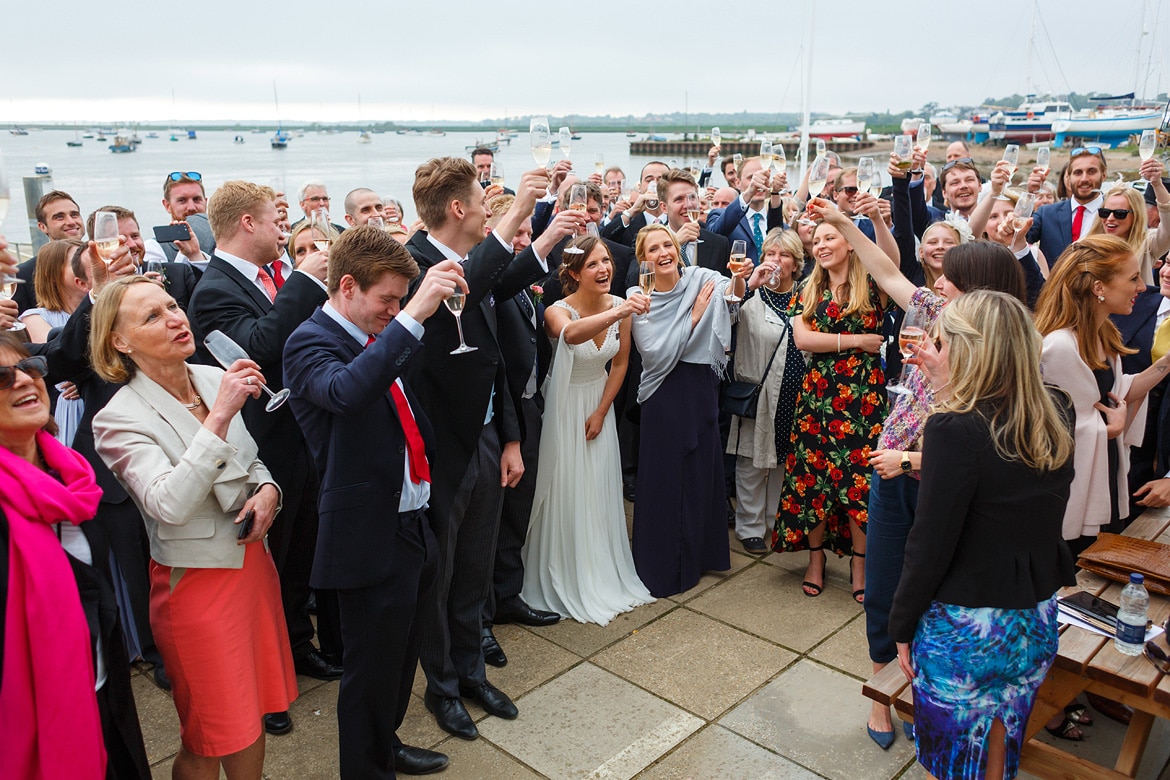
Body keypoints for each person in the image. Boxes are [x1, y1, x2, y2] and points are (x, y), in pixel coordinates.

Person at [834, 211, 1031, 748]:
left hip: (938, 477)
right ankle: (881, 694)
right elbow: (883, 271)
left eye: (951, 276)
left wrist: (915, 462)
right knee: (883, 583)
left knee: (933, 589)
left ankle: (929, 691)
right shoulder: (928, 308)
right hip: (892, 464)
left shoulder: (1006, 347)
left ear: (982, 291)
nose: (937, 281)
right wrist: (844, 223)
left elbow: (995, 444)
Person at [91, 276, 297, 780]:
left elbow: (254, 465)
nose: (175, 318)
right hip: (196, 589)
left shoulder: (209, 376)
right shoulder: (117, 419)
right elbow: (168, 504)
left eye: (172, 306)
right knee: (210, 736)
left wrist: (270, 492)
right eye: (152, 317)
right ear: (120, 341)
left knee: (252, 717)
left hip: (253, 570)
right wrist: (222, 414)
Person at [283, 226, 465, 779]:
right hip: (367, 531)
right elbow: (346, 392)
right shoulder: (308, 341)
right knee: (369, 670)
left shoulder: (373, 331)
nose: (394, 309)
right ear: (346, 286)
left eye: (399, 301)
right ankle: (366, 768)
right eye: (387, 299)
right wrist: (412, 319)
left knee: (401, 656)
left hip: (412, 522)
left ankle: (385, 741)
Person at [404, 159, 570, 741]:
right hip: (438, 448)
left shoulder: (467, 266)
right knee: (442, 572)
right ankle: (442, 687)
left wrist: (509, 438)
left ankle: (473, 673)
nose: (486, 207)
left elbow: (493, 357)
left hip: (485, 436)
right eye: (481, 199)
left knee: (474, 566)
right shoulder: (412, 265)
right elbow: (479, 273)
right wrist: (521, 208)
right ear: (458, 209)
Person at [889, 290, 1078, 780]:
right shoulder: (1056, 408)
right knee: (1001, 746)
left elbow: (929, 543)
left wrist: (901, 626)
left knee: (950, 763)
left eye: (945, 341)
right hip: (1033, 620)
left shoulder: (956, 428)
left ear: (971, 349)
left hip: (965, 631)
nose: (938, 349)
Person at [186, 181, 337, 736]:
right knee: (264, 563)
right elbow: (258, 345)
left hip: (297, 434)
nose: (283, 228)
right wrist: (303, 279)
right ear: (247, 223)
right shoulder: (213, 291)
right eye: (277, 220)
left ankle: (298, 647)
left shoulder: (268, 279)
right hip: (257, 450)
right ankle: (263, 683)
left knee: (299, 550)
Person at [0, 332, 151, 780]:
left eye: (31, 368)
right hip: (32, 719)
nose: (25, 381)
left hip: (103, 693)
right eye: (2, 377)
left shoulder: (72, 479)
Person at [522, 234, 655, 623]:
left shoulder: (621, 306)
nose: (605, 269)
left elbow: (620, 363)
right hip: (565, 407)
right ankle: (563, 574)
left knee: (598, 488)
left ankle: (601, 571)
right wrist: (620, 312)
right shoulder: (556, 310)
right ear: (575, 272)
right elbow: (570, 335)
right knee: (566, 488)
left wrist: (601, 411)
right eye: (594, 264)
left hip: (599, 404)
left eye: (607, 262)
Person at [773, 201, 888, 603]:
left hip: (864, 400)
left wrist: (871, 220)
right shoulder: (809, 288)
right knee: (814, 479)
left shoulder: (872, 283)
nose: (821, 245)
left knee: (860, 481)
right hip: (819, 398)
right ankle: (815, 559)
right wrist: (858, 341)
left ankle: (860, 562)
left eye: (830, 237)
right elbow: (804, 340)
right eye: (817, 239)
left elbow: (891, 258)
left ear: (849, 242)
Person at [1034, 234, 1170, 554]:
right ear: (1099, 288)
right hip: (1069, 492)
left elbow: (1118, 395)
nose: (1141, 287)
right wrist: (1109, 428)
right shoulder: (1059, 347)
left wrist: (1165, 363)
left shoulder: (1101, 332)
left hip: (1099, 472)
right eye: (1133, 278)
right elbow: (1050, 432)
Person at [629, 223, 745, 597]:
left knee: (698, 474)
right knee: (664, 479)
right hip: (663, 393)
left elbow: (732, 298)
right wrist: (693, 317)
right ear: (643, 259)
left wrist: (741, 279)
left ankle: (700, 555)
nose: (663, 253)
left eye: (668, 245)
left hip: (700, 386)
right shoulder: (638, 294)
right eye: (653, 249)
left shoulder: (700, 277)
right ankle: (662, 566)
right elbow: (655, 353)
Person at [725, 229, 806, 555]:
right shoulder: (749, 296)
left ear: (796, 263)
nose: (776, 261)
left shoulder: (806, 296)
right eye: (771, 254)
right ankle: (749, 528)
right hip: (758, 393)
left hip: (795, 395)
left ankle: (775, 523)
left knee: (783, 463)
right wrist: (749, 282)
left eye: (784, 255)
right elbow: (726, 313)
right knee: (752, 464)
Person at [19, 239, 88, 446]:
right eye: (76, 262)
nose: (85, 267)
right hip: (71, 409)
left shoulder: (104, 311)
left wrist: (87, 378)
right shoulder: (35, 317)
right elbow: (61, 364)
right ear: (52, 273)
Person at [1084, 160, 1170, 284]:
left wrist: (1156, 183)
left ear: (1135, 216)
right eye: (1105, 212)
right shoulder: (1086, 246)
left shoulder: (1146, 244)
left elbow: (1168, 226)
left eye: (1120, 214)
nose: (1110, 218)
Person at [1026, 147, 1108, 265]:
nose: (1084, 179)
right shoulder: (1047, 214)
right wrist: (1029, 195)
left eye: (1091, 172)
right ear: (1068, 178)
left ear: (1103, 175)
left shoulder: (1114, 214)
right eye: (1078, 173)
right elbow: (1019, 238)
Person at [13, 190, 85, 311]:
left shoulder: (103, 261)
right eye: (59, 217)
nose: (71, 222)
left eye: (74, 214)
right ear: (43, 227)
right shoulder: (23, 275)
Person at [142, 171, 215, 272]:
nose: (191, 207)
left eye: (197, 199)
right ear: (167, 205)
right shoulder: (155, 247)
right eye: (182, 200)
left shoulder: (222, 242)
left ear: (206, 202)